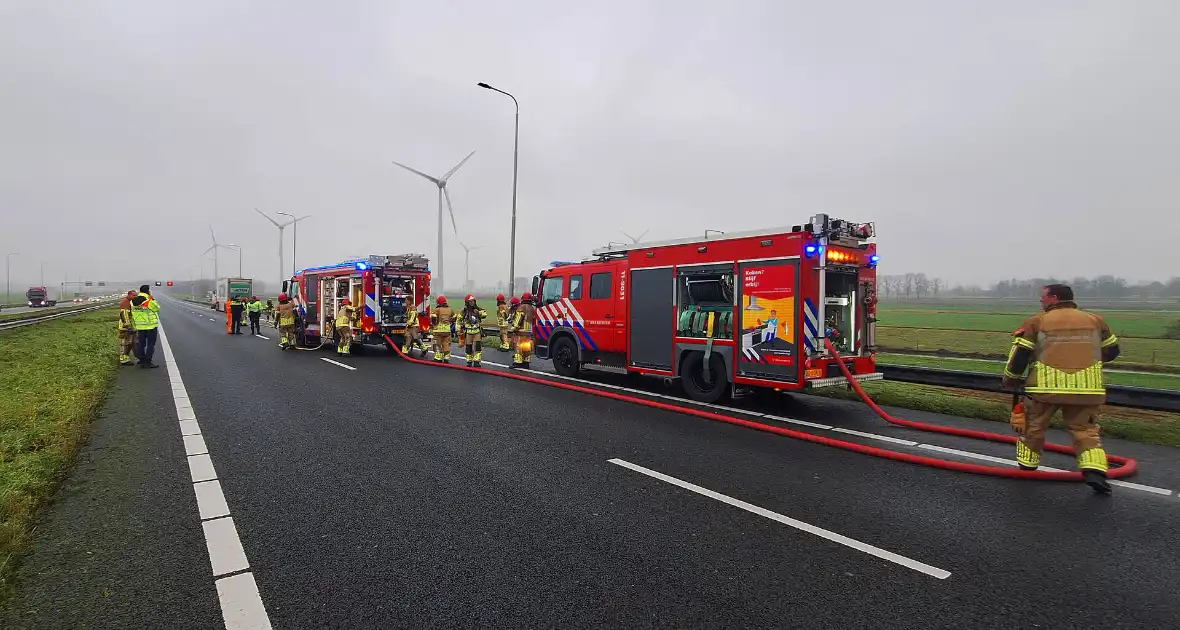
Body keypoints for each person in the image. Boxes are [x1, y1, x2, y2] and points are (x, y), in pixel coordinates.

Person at [1002, 283, 1121, 494]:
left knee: (1033, 428)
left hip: (1045, 389)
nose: (1041, 301)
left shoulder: (1037, 321)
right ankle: (1094, 472)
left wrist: (1010, 379)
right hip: (1086, 388)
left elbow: (1020, 355)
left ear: (1054, 298)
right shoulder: (1095, 320)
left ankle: (1027, 468)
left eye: (1043, 298)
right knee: (1086, 431)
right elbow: (1112, 350)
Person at [130, 284, 161, 369]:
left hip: (140, 326)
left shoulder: (132, 301)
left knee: (141, 344)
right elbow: (157, 308)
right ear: (147, 291)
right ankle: (148, 362)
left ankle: (141, 359)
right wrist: (152, 299)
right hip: (150, 326)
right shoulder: (148, 301)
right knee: (150, 344)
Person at [509, 292, 536, 369]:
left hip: (521, 331)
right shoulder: (532, 308)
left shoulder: (521, 307)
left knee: (518, 346)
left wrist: (514, 328)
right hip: (529, 332)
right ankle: (526, 362)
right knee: (526, 347)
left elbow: (519, 319)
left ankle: (518, 362)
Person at [459, 294, 488, 367]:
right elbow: (459, 320)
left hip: (477, 331)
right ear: (467, 302)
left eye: (473, 301)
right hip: (468, 332)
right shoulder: (464, 311)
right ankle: (469, 361)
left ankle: (477, 361)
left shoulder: (478, 309)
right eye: (470, 302)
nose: (472, 303)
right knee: (468, 347)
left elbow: (485, 314)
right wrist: (458, 329)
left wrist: (478, 313)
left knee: (477, 347)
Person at [430, 295, 454, 362]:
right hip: (447, 330)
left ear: (438, 303)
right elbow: (455, 317)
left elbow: (433, 317)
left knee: (437, 344)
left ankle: (438, 358)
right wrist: (450, 321)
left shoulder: (437, 310)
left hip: (438, 330)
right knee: (446, 344)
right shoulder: (450, 309)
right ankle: (446, 358)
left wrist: (434, 324)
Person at [116, 290, 137, 366]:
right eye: (133, 295)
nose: (135, 297)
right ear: (129, 295)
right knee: (124, 343)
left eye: (135, 295)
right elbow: (124, 316)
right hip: (125, 327)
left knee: (129, 343)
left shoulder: (129, 302)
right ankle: (123, 359)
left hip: (129, 326)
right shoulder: (125, 303)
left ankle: (126, 358)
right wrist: (128, 326)